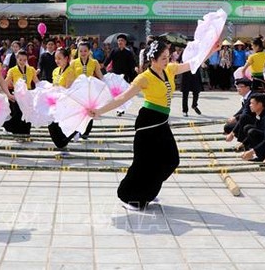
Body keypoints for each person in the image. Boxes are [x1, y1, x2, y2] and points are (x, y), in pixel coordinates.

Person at [90, 40, 219, 211]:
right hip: (148, 122)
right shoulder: (144, 78)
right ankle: (131, 197)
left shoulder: (170, 70)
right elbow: (121, 98)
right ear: (153, 59)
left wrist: (211, 49)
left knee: (171, 159)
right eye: (164, 58)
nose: (167, 60)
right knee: (143, 163)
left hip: (162, 121)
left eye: (168, 57)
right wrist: (99, 110)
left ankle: (148, 188)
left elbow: (193, 63)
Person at [71, 41, 103, 139]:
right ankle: (77, 130)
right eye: (81, 51)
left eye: (85, 51)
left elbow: (100, 76)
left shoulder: (94, 62)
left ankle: (86, 132)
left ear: (89, 51)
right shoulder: (73, 62)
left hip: (90, 91)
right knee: (78, 112)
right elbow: (70, 77)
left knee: (89, 112)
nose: (83, 53)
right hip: (77, 91)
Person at [3, 49, 39, 135]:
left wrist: (44, 89)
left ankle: (26, 133)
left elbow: (37, 81)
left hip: (28, 94)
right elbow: (6, 82)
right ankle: (10, 128)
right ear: (17, 59)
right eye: (20, 60)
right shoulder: (12, 70)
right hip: (17, 95)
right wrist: (5, 93)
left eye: (24, 60)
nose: (22, 62)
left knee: (28, 114)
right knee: (18, 114)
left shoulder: (31, 69)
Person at [48, 47, 77, 149]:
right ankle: (69, 136)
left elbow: (67, 89)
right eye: (56, 58)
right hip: (55, 101)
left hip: (65, 102)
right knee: (52, 126)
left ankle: (74, 132)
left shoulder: (70, 71)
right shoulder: (55, 70)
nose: (57, 61)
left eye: (60, 58)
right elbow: (53, 85)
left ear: (66, 58)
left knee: (56, 126)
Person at [223, 78, 256, 147]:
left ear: (247, 87)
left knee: (242, 124)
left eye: (241, 87)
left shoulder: (252, 97)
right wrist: (234, 117)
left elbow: (245, 113)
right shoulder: (246, 96)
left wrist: (232, 134)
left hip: (256, 121)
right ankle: (246, 142)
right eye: (237, 86)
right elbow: (243, 109)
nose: (238, 89)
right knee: (228, 127)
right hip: (248, 119)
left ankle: (246, 144)